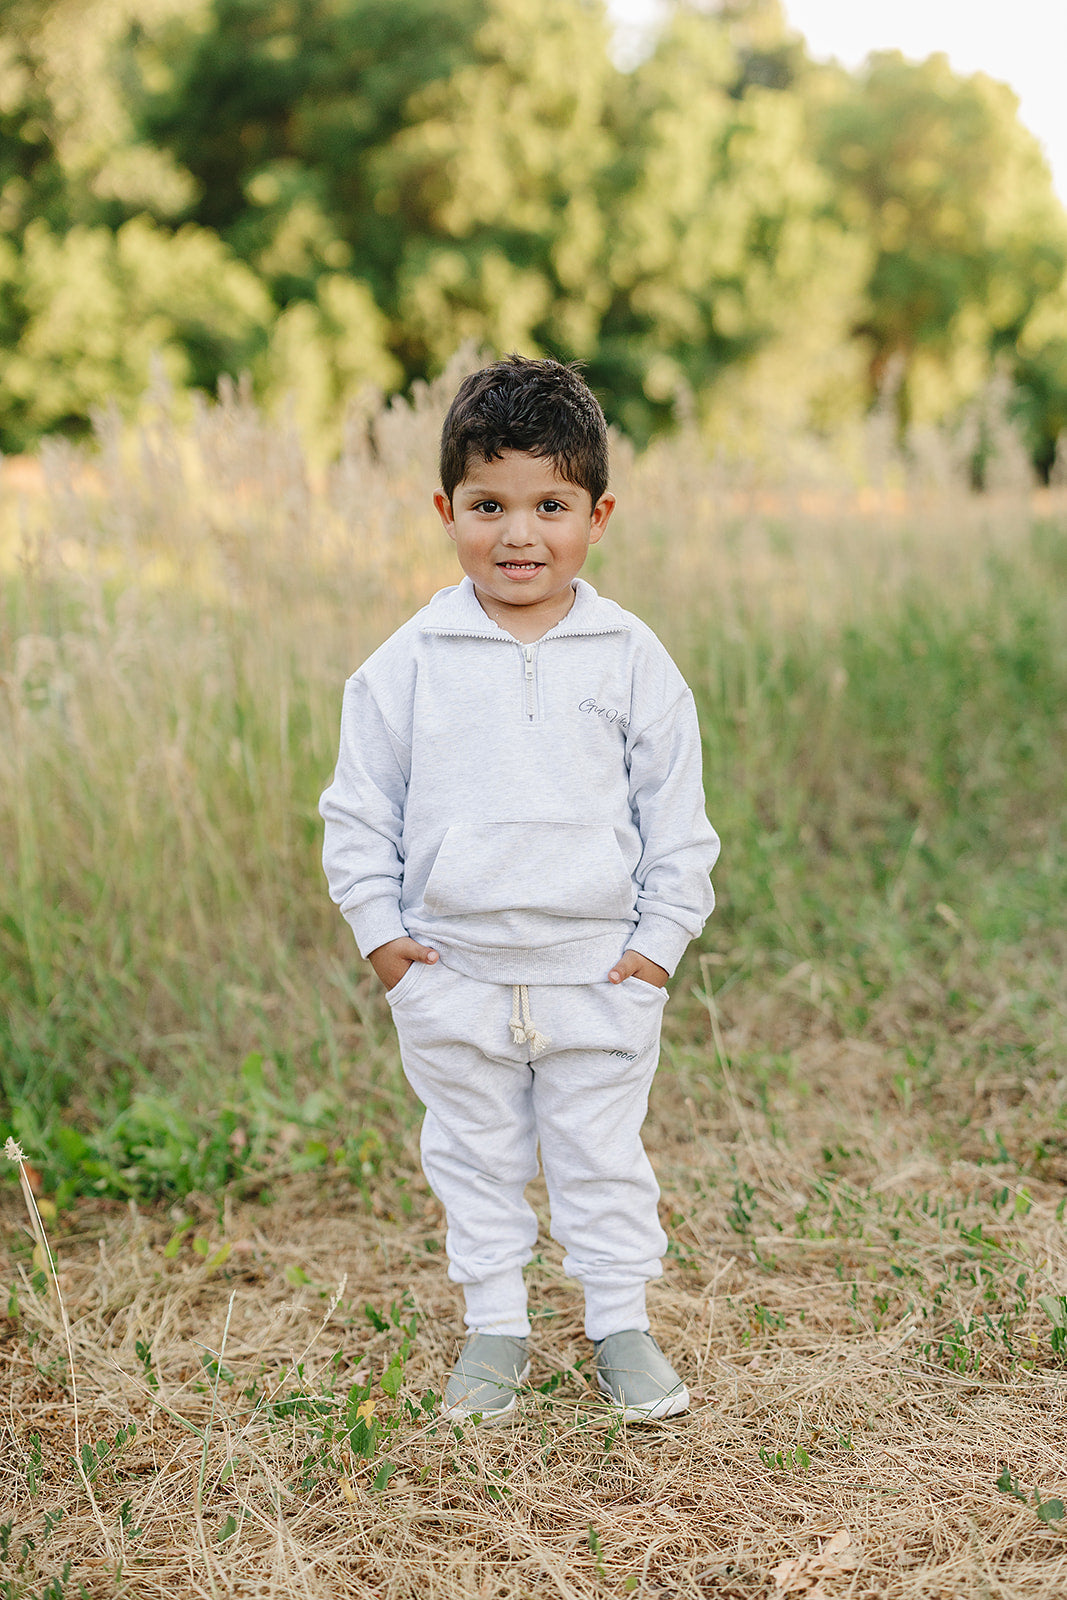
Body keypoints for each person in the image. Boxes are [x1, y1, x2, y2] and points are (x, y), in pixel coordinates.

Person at [320, 355, 719, 1426]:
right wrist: (385, 946)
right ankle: (494, 1326)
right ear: (446, 510)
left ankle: (618, 1323)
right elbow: (356, 813)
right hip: (453, 971)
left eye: (550, 505)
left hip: (598, 973)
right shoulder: (407, 662)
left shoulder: (630, 658)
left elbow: (677, 823)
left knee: (600, 1155)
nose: (518, 535)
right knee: (473, 1157)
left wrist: (656, 949)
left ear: (597, 515)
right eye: (487, 506)